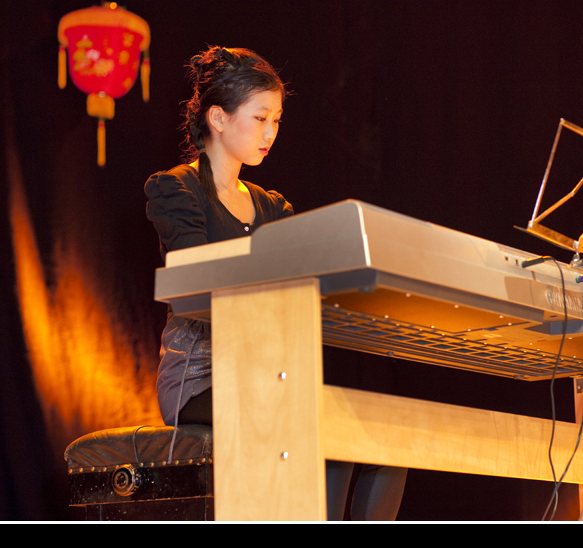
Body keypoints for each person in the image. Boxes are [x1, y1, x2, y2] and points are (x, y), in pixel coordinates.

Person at [144, 46, 406, 520]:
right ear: (219, 119)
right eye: (261, 118)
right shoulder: (176, 189)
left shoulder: (273, 207)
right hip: (201, 378)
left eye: (277, 121)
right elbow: (195, 283)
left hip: (269, 372)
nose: (270, 133)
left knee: (387, 435)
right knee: (325, 427)